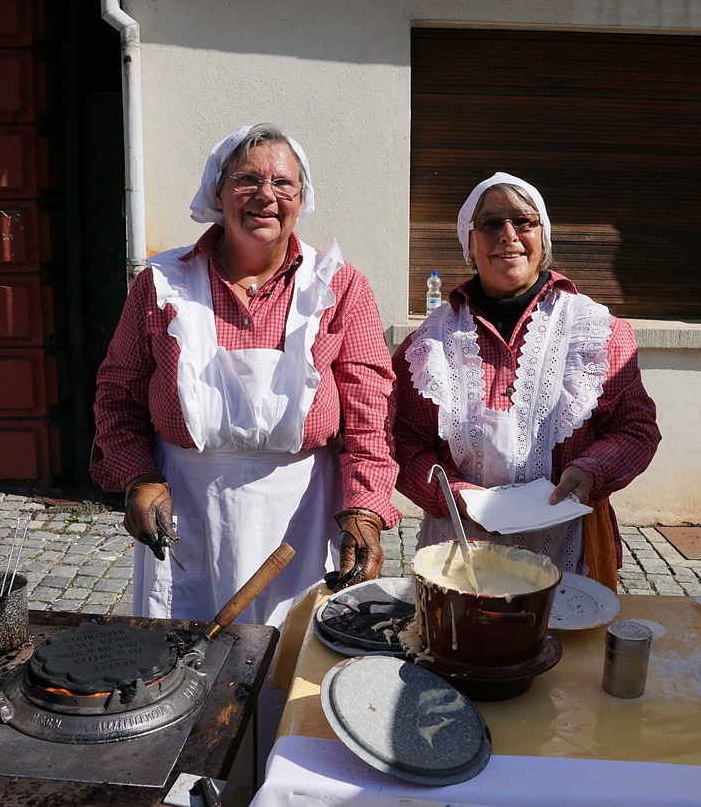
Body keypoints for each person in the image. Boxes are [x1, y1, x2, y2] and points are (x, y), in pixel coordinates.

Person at [91, 123, 400, 629]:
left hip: (300, 519)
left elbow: (371, 417)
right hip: (188, 515)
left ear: (302, 198)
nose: (266, 196)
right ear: (219, 190)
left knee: (287, 664)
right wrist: (138, 479)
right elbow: (117, 395)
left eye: (284, 184)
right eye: (247, 180)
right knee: (186, 668)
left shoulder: (339, 288)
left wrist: (364, 509)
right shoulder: (161, 284)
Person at [392, 173, 661, 588]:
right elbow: (402, 439)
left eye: (523, 222)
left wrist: (591, 471)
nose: (508, 235)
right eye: (490, 224)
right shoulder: (429, 342)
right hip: (459, 549)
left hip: (569, 553)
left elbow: (635, 428)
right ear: (469, 242)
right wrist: (453, 494)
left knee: (565, 651)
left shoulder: (597, 331)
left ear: (543, 237)